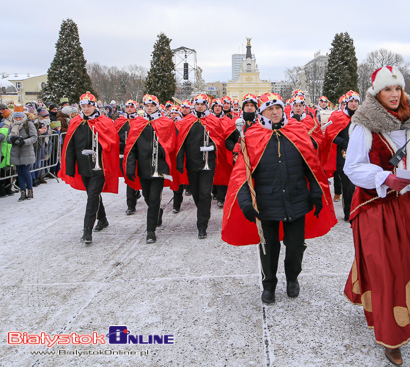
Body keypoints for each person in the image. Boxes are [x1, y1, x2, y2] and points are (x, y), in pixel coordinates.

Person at [342, 66, 410, 366]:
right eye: (388, 90)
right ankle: (391, 336)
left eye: (398, 89)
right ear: (376, 93)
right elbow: (353, 167)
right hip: (375, 205)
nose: (394, 95)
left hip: (406, 204)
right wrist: (384, 178)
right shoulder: (364, 124)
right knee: (387, 270)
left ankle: (366, 294)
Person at [221, 92, 337, 304]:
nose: (274, 113)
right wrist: (245, 201)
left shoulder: (297, 131)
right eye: (269, 109)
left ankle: (292, 278)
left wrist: (316, 191)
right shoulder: (251, 136)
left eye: (278, 108)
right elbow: (242, 174)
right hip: (266, 203)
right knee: (269, 247)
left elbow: (310, 165)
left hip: (297, 199)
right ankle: (269, 284)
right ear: (261, 112)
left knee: (295, 246)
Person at [59, 92, 119, 244]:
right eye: (83, 106)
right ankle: (103, 219)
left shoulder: (104, 121)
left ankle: (87, 231)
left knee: (92, 195)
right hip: (84, 166)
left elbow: (112, 142)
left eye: (89, 106)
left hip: (99, 166)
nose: (86, 109)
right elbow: (70, 146)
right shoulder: (76, 122)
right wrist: (70, 167)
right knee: (92, 194)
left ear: (94, 106)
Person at [175, 94, 230, 239]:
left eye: (202, 104)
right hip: (192, 164)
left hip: (208, 163)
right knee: (196, 192)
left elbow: (219, 140)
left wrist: (212, 146)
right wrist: (179, 163)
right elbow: (181, 143)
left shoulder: (213, 120)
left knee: (205, 193)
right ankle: (203, 212)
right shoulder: (187, 121)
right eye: (197, 104)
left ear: (207, 105)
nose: (200, 106)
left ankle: (202, 225)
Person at [124, 94, 177, 244]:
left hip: (159, 167)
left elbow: (172, 142)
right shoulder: (138, 123)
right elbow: (132, 148)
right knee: (147, 197)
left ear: (156, 106)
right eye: (147, 106)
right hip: (143, 168)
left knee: (154, 199)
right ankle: (157, 213)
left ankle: (150, 231)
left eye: (152, 106)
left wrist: (161, 150)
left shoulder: (166, 122)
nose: (149, 108)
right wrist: (130, 167)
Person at [322, 90, 360, 221]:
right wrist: (346, 143)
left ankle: (359, 210)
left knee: (359, 185)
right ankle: (349, 213)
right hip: (344, 156)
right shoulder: (339, 117)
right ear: (346, 103)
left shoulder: (362, 118)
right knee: (348, 186)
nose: (354, 104)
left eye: (356, 101)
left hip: (360, 156)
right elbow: (331, 135)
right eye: (351, 101)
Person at [114, 100, 142, 215]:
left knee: (133, 177)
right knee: (128, 177)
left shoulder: (140, 121)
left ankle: (131, 204)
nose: (129, 109)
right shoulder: (119, 121)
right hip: (123, 153)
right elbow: (114, 136)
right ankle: (132, 199)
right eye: (127, 107)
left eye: (131, 107)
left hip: (136, 154)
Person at [7, 105, 38, 201]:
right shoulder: (12, 125)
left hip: (26, 150)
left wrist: (24, 141)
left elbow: (34, 137)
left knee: (25, 171)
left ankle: (30, 190)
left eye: (19, 117)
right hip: (16, 151)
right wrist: (12, 139)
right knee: (19, 172)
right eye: (16, 117)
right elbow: (8, 138)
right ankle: (22, 191)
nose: (18, 118)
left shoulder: (28, 124)